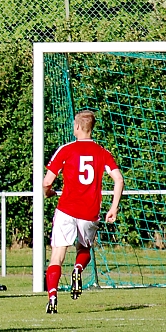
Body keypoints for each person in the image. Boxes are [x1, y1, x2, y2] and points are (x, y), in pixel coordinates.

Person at [42, 111, 124, 314]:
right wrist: (113, 207)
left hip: (66, 209)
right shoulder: (101, 152)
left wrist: (48, 192)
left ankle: (52, 297)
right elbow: (119, 179)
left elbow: (46, 182)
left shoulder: (66, 150)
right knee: (84, 249)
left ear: (77, 127)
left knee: (57, 256)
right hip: (89, 212)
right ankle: (78, 269)